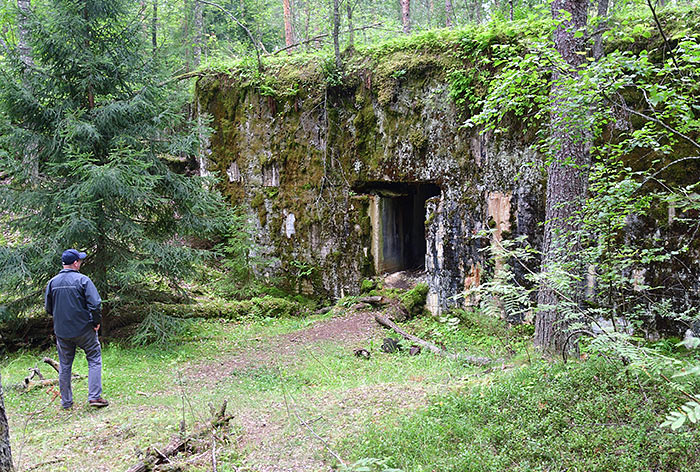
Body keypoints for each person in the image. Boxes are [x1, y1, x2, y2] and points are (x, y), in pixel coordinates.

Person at [44, 249, 109, 409]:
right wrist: (95, 322)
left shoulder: (52, 283)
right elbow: (95, 304)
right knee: (94, 358)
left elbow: (48, 308)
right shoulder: (83, 280)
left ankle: (66, 402)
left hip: (62, 332)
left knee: (65, 365)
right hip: (84, 330)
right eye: (80, 260)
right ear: (75, 263)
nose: (81, 262)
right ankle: (94, 397)